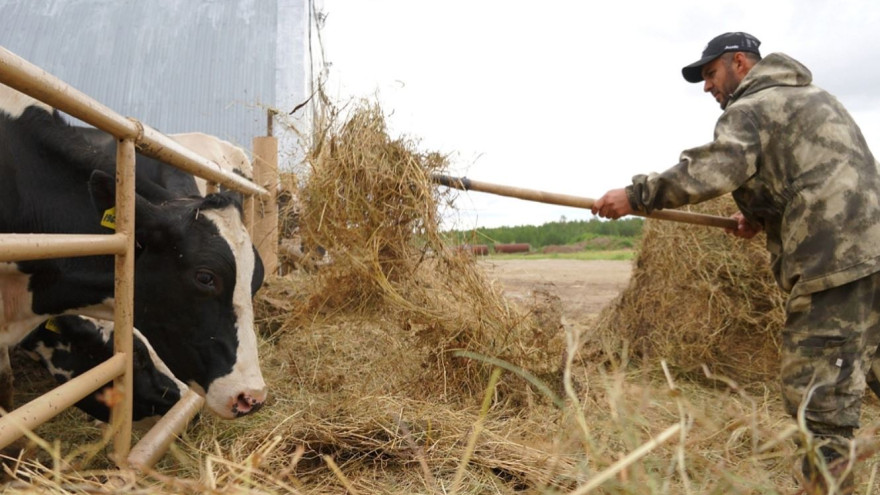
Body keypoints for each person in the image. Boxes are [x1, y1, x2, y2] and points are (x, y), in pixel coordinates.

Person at [591, 32, 880, 494]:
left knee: (818, 398)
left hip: (835, 263)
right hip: (873, 253)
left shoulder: (751, 108)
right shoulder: (815, 97)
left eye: (710, 74)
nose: (708, 87)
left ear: (740, 64)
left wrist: (636, 195)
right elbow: (814, 174)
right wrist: (759, 213)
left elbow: (716, 167)